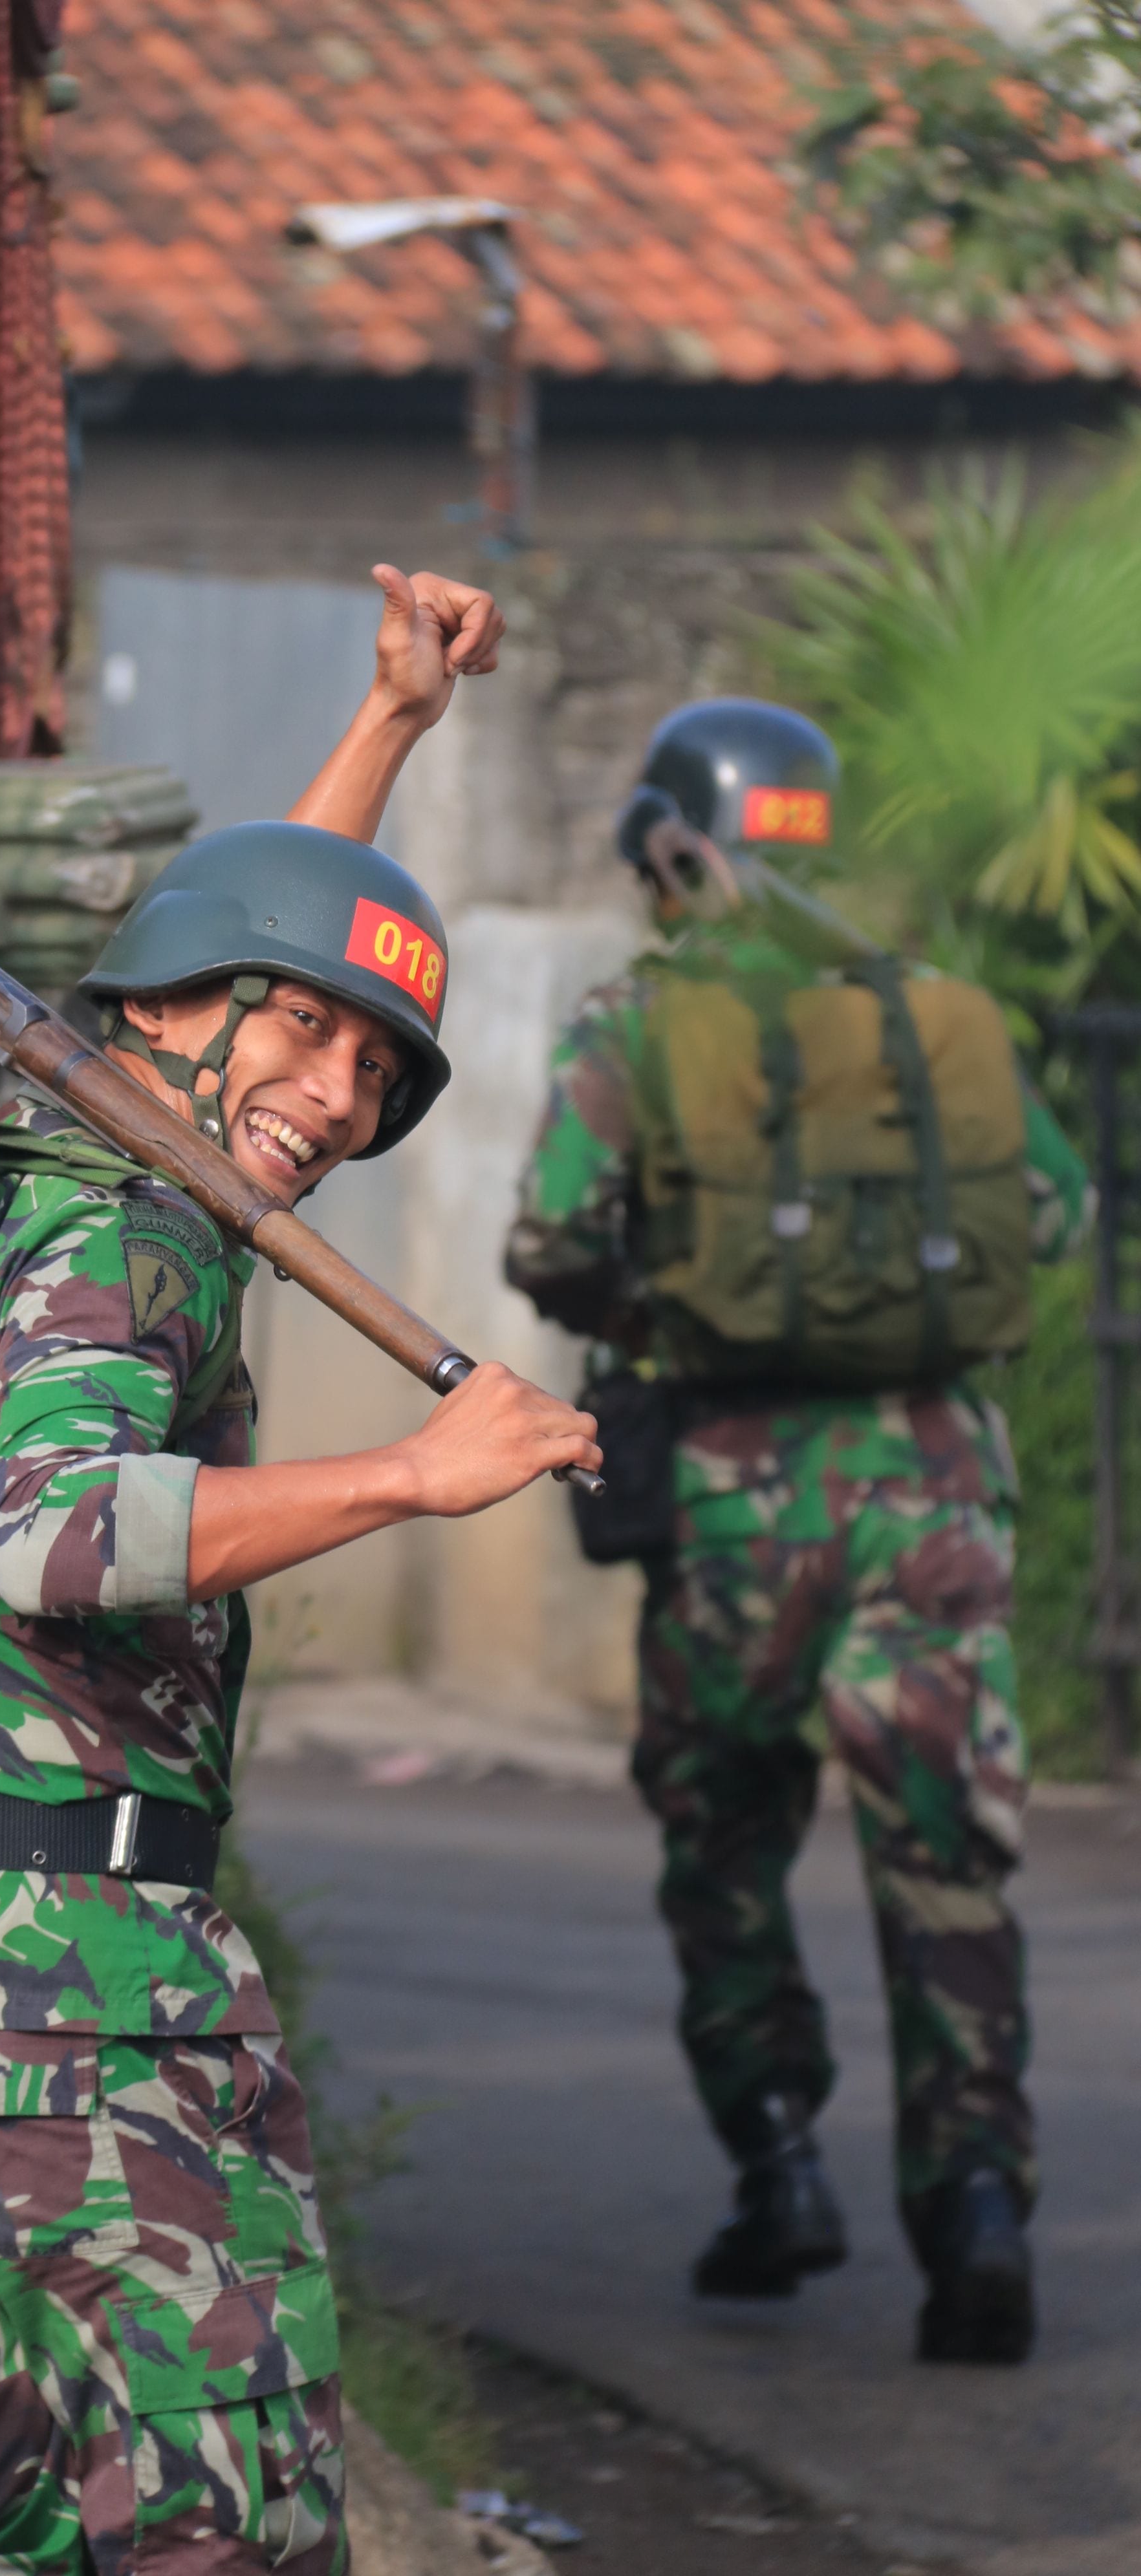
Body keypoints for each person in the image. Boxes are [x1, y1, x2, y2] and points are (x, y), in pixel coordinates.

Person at [0, 566, 603, 2574]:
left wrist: (391, 724)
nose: (338, 1091)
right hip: (67, 1997)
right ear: (160, 1015)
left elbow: (270, 934)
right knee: (214, 2528)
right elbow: (58, 1538)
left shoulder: (70, 1168)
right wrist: (408, 1474)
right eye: (303, 1038)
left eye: (377, 1071)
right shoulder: (120, 1241)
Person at [505, 698, 1091, 2368]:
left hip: (729, 1508)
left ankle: (777, 2168)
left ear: (671, 842)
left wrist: (679, 1298)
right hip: (938, 1505)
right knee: (945, 1857)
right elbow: (1050, 1210)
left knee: (725, 1848)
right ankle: (977, 2207)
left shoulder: (641, 1021)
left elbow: (551, 1242)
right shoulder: (935, 1023)